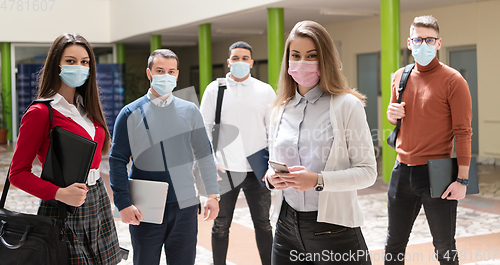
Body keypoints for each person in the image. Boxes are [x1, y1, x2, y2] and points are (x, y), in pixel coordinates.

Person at [265, 20, 377, 265]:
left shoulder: (347, 106)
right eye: (296, 55)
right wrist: (271, 179)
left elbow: (368, 173)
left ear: (324, 59)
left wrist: (317, 181)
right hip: (285, 227)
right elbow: (272, 165)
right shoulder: (279, 109)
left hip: (334, 230)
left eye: (311, 55)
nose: (302, 62)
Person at [9, 33, 122, 264]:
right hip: (63, 206)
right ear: (56, 65)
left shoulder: (88, 108)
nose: (79, 67)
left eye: (85, 62)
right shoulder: (40, 112)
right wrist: (60, 193)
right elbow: (17, 174)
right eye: (70, 61)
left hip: (97, 199)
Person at [109, 49, 220, 265]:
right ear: (149, 74)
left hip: (185, 203)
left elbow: (205, 154)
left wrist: (213, 195)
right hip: (145, 206)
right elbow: (117, 160)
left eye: (171, 71)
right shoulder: (130, 113)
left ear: (177, 75)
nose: (166, 76)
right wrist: (123, 202)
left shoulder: (190, 111)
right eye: (160, 71)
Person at [385, 15, 472, 265]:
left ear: (439, 43)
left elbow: (463, 132)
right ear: (409, 43)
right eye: (418, 39)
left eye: (429, 39)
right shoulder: (400, 76)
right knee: (393, 244)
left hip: (438, 173)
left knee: (444, 247)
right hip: (401, 170)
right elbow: (398, 116)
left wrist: (462, 180)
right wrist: (391, 115)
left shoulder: (453, 80)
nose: (423, 44)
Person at [200, 41, 276, 265]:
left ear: (251, 63)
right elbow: (203, 128)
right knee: (221, 224)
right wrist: (209, 161)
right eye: (235, 58)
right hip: (225, 169)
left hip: (258, 169)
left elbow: (273, 130)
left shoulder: (265, 90)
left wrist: (272, 163)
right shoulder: (216, 89)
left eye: (244, 58)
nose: (240, 62)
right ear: (228, 62)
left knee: (263, 224)